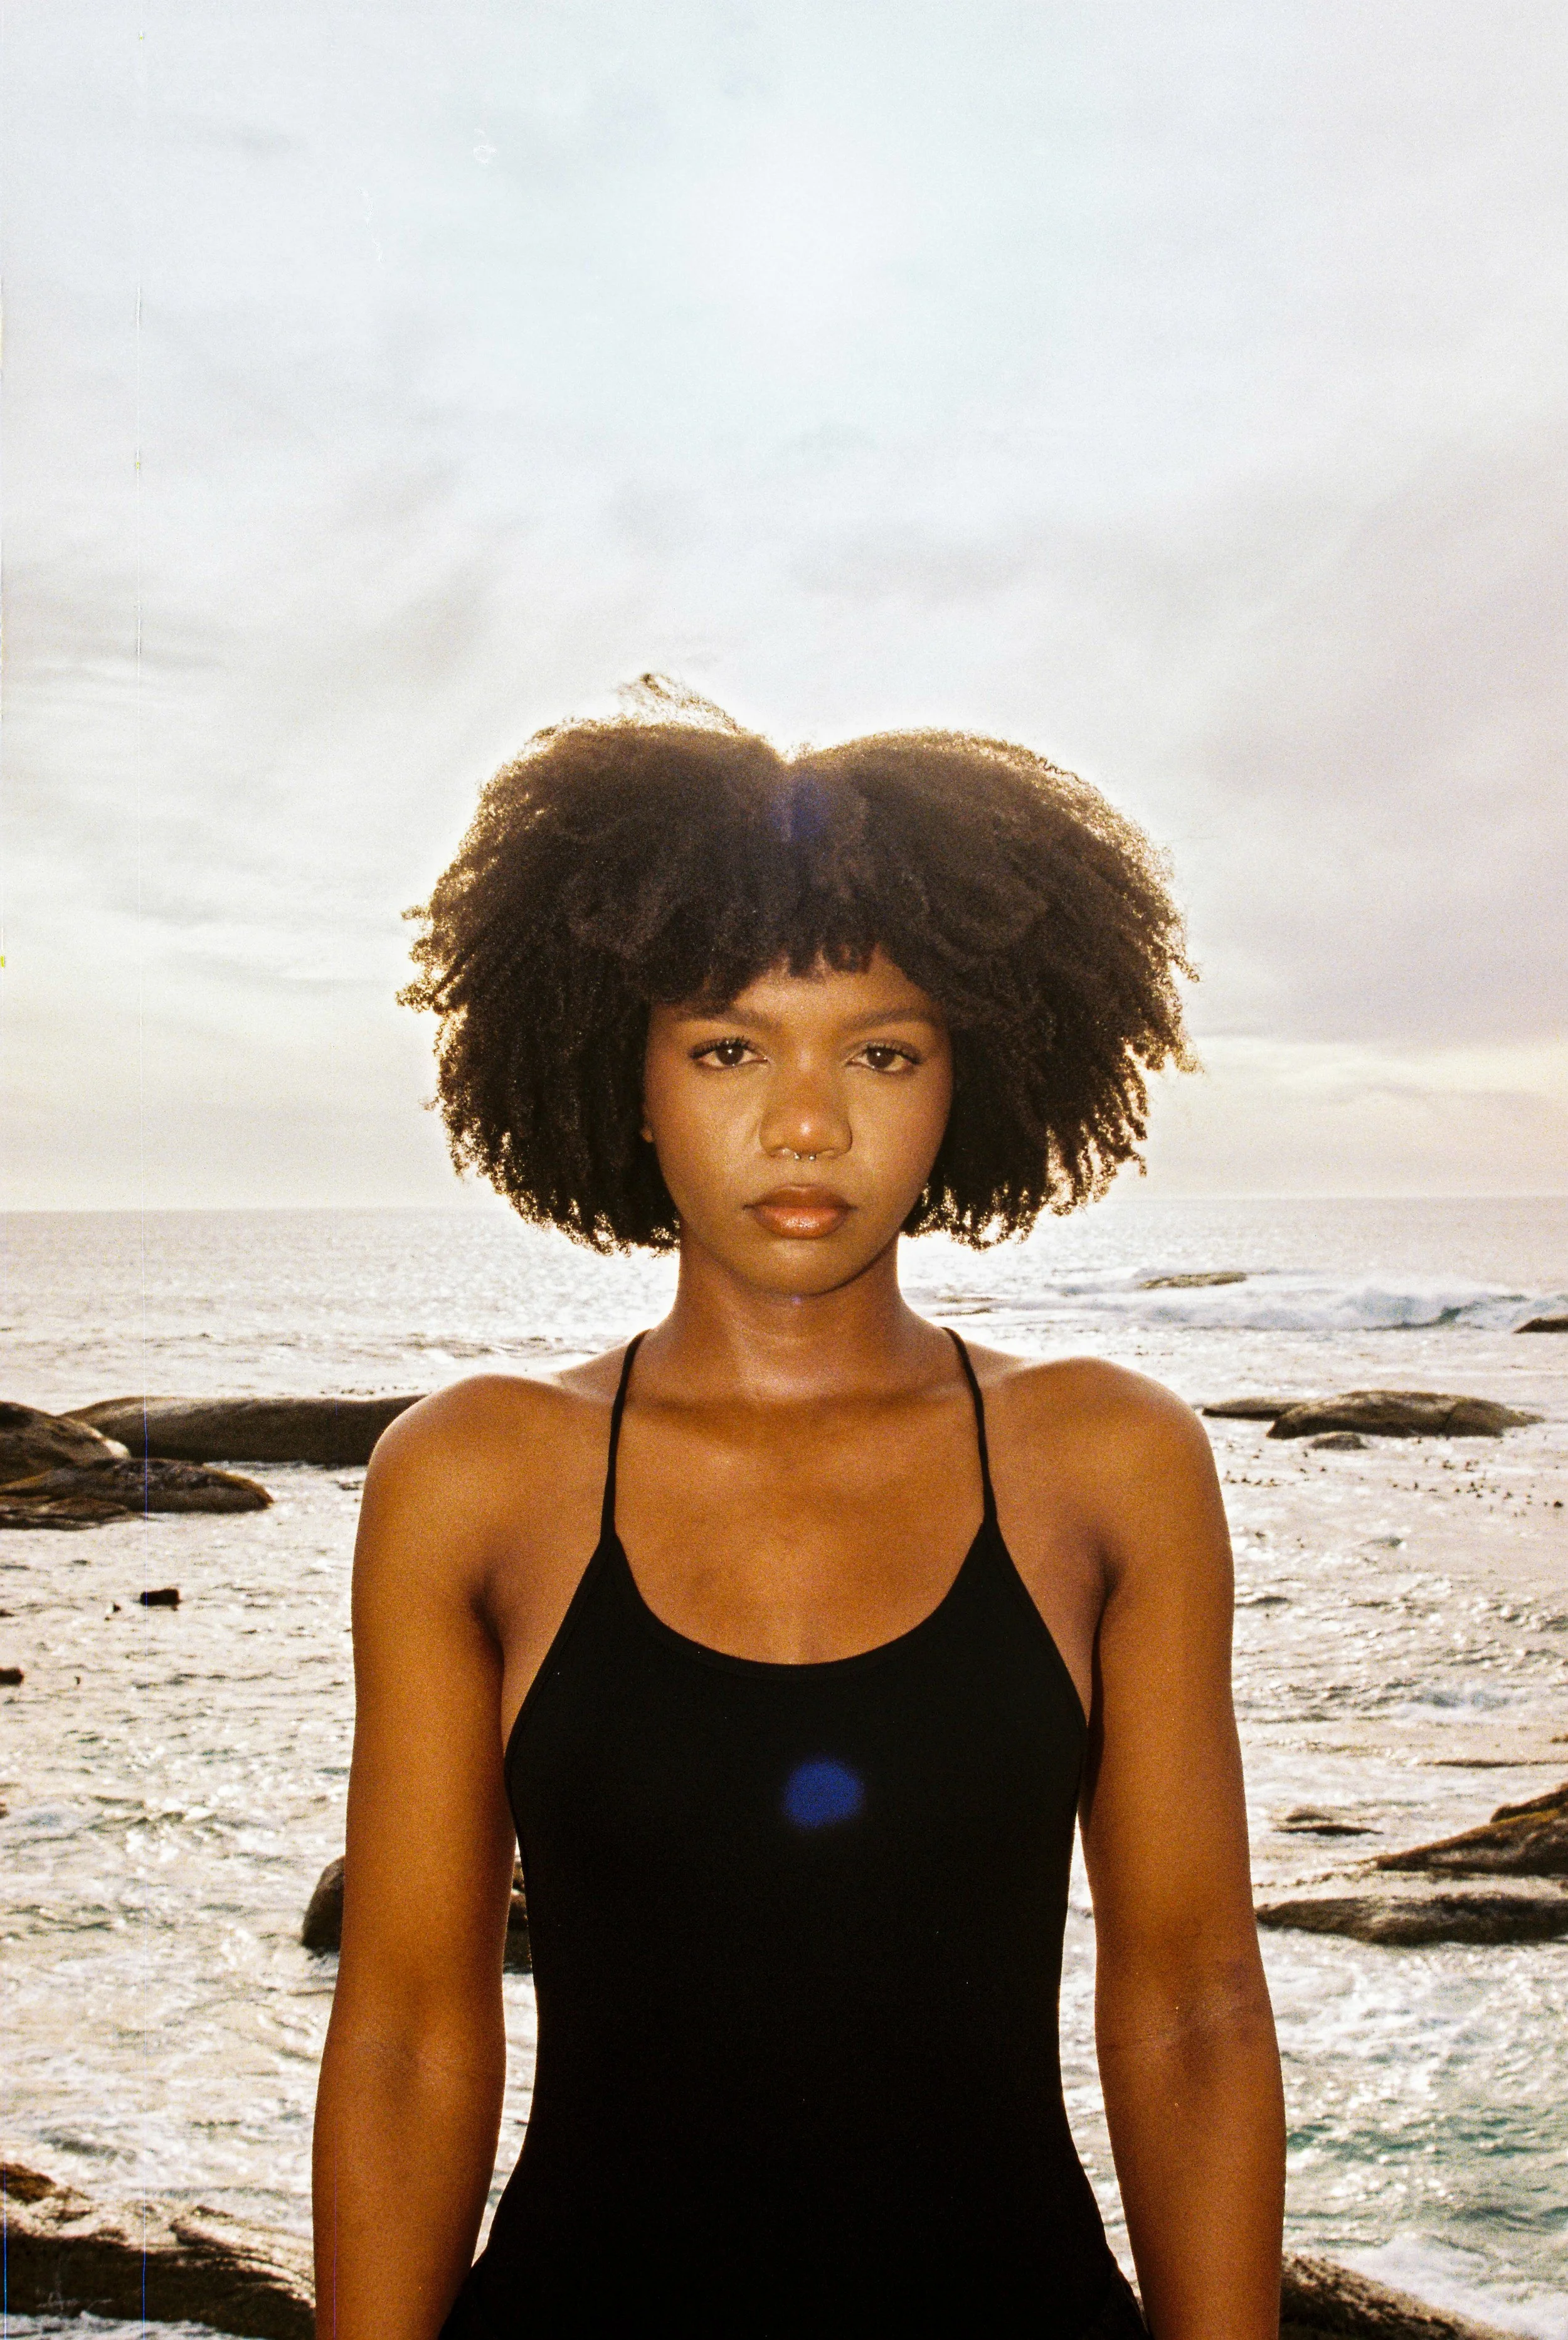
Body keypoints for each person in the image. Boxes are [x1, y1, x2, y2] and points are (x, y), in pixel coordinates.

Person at [312, 685, 1285, 2339]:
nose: (806, 1120)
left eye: (881, 1050)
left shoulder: (1103, 1464)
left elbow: (1189, 2005)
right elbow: (409, 2024)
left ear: (968, 1076)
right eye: (727, 1047)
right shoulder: (476, 1477)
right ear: (621, 1075)